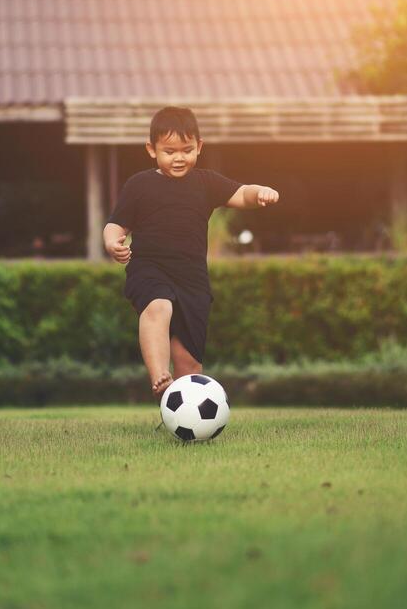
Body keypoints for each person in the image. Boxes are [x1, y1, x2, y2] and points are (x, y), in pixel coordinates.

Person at [103, 106, 280, 398]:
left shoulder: (206, 183)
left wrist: (260, 191)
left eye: (186, 150)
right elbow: (116, 224)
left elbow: (241, 192)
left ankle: (180, 416)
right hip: (149, 268)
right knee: (158, 306)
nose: (178, 158)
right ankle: (159, 376)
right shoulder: (139, 185)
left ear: (199, 146)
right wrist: (112, 243)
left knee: (190, 363)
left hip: (192, 280)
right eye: (169, 151)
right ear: (152, 149)